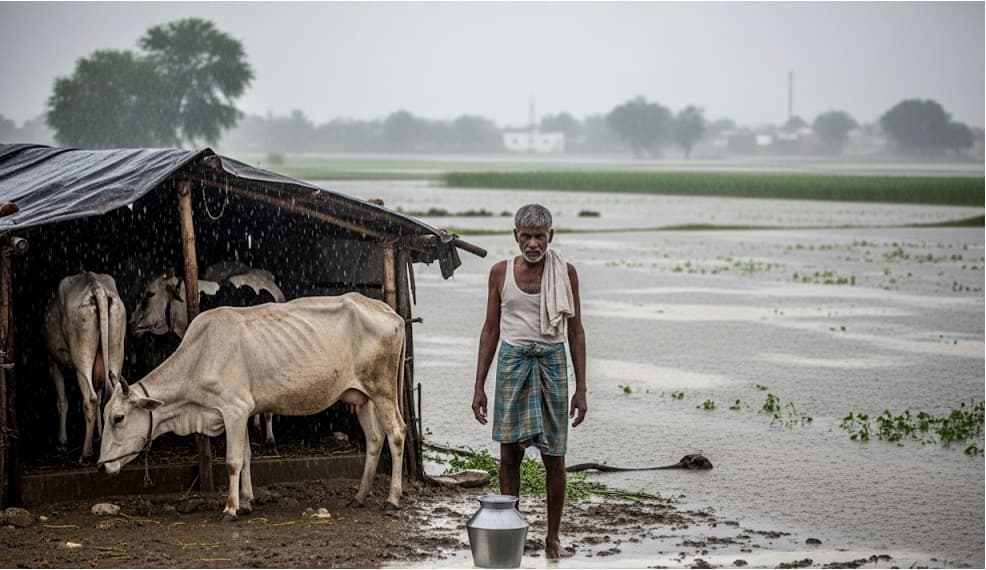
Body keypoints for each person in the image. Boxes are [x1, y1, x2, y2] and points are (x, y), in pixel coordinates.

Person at [471, 203, 587, 559]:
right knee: (510, 454)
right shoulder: (499, 272)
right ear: (515, 236)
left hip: (552, 364)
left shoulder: (565, 273)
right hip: (512, 363)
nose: (533, 243)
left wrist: (581, 388)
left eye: (540, 236)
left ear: (551, 236)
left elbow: (575, 330)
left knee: (555, 456)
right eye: (526, 236)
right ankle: (512, 535)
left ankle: (553, 539)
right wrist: (479, 386)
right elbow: (490, 329)